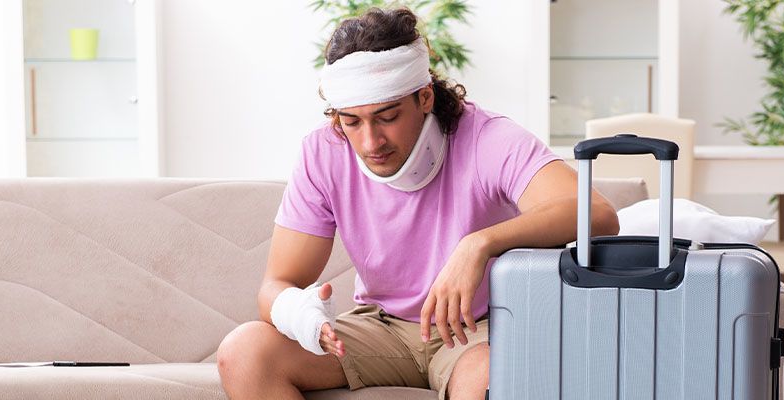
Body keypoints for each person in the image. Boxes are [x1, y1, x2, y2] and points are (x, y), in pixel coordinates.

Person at [215, 7, 619, 400]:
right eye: (352, 122)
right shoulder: (322, 152)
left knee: (489, 380)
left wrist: (478, 244)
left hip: (477, 331)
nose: (371, 143)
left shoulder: (488, 138)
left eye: (387, 116)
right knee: (243, 353)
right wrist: (300, 317)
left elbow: (598, 214)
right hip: (381, 327)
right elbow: (275, 285)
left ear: (425, 97)